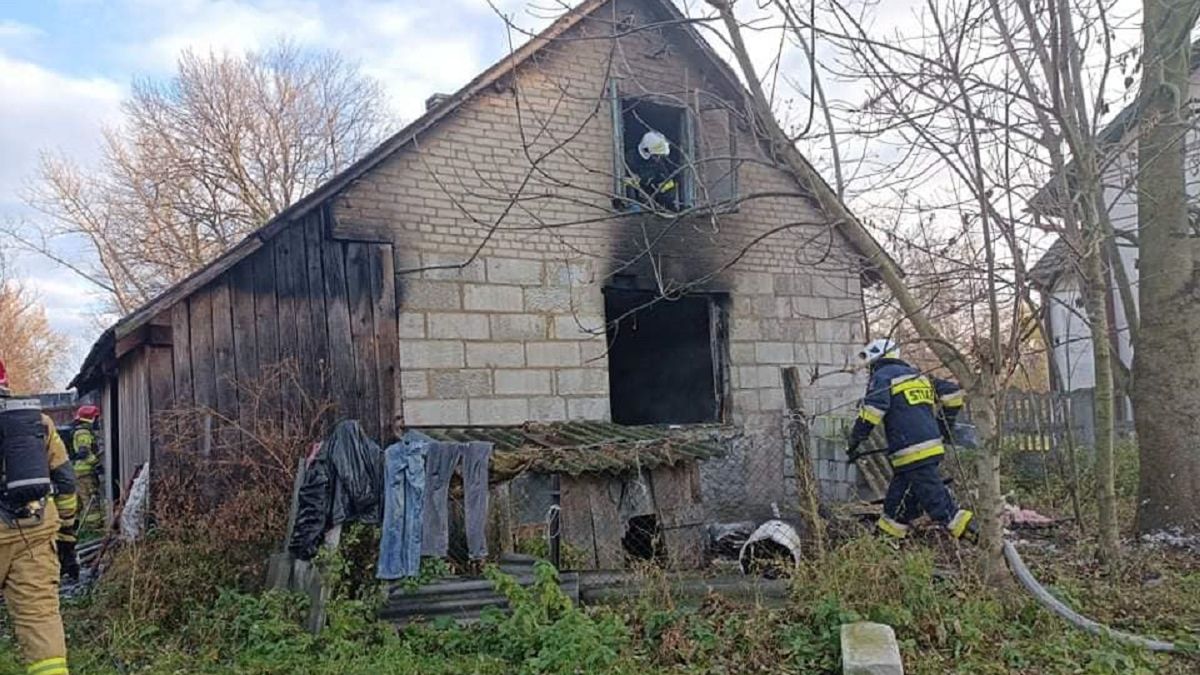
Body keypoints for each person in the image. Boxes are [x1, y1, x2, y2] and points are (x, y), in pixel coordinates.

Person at [846, 339, 976, 544]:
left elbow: (872, 411)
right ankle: (886, 540)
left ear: (877, 360)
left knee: (939, 504)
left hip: (911, 451)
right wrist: (943, 426)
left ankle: (976, 535)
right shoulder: (918, 375)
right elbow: (953, 394)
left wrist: (856, 439)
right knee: (898, 502)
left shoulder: (883, 375)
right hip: (929, 448)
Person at [0, 358, 74, 675]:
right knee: (40, 618)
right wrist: (68, 536)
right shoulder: (39, 422)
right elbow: (66, 481)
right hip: (34, 533)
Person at [623, 130, 680, 211]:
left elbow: (667, 183)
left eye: (660, 156)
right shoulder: (630, 159)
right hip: (635, 201)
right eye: (656, 156)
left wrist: (670, 204)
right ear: (646, 152)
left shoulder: (659, 164)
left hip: (651, 202)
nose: (658, 159)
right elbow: (626, 182)